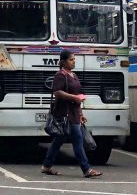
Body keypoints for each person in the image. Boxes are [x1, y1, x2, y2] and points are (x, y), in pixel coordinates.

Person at [41, 49, 102, 178]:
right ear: (63, 62)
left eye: (74, 59)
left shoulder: (74, 75)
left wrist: (80, 114)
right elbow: (57, 92)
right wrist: (74, 98)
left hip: (74, 112)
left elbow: (78, 94)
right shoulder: (60, 75)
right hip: (65, 114)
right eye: (71, 59)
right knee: (78, 139)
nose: (73, 62)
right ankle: (86, 169)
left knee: (59, 140)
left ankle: (46, 166)